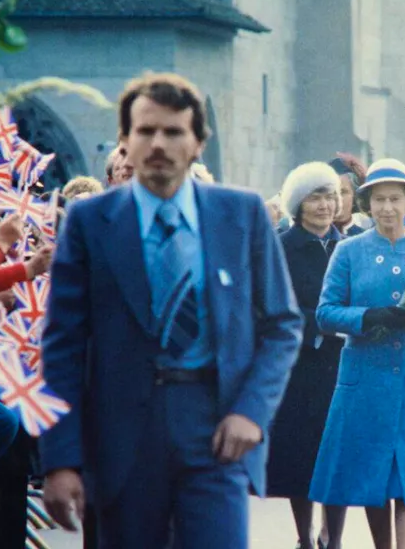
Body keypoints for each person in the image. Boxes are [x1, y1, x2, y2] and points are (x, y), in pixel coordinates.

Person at [39, 72, 303, 548]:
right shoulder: (90, 223)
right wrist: (60, 459)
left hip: (216, 427)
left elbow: (283, 325)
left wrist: (251, 412)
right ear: (124, 141)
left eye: (174, 131)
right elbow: (62, 346)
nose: (159, 143)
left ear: (199, 141)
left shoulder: (239, 215)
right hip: (123, 434)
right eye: (145, 131)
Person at [309, 158, 405, 549]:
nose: (387, 208)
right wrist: (367, 317)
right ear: (367, 204)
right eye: (378, 200)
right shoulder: (349, 251)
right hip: (365, 377)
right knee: (373, 474)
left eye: (395, 199)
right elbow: (325, 313)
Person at [267, 162, 346, 549]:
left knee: (338, 454)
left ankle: (334, 537)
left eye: (331, 195)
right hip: (300, 365)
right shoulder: (280, 248)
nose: (325, 205)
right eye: (316, 196)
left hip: (344, 365)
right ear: (297, 204)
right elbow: (274, 307)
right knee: (302, 456)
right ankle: (304, 536)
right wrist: (321, 325)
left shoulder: (348, 245)